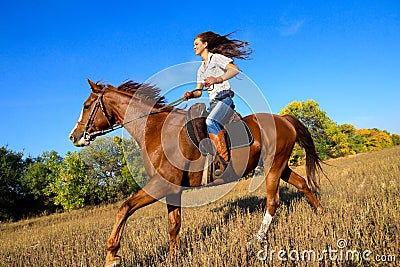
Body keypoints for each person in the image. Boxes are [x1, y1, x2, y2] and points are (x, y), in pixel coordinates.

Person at [183, 31, 252, 177]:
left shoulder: (217, 58)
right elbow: (199, 92)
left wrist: (218, 79)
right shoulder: (200, 69)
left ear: (205, 44)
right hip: (213, 103)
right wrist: (190, 94)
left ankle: (226, 164)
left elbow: (234, 70)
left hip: (224, 99)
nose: (194, 47)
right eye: (193, 45)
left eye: (197, 44)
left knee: (211, 121)